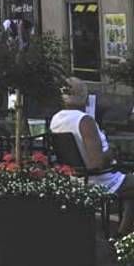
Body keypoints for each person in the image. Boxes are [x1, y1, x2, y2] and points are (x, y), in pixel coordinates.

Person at [51, 77, 134, 235]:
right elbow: (96, 164)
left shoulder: (56, 119)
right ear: (85, 96)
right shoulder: (84, 121)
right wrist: (111, 153)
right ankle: (123, 238)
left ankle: (123, 234)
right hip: (100, 181)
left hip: (76, 179)